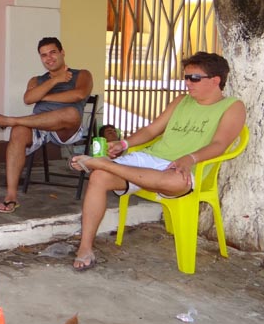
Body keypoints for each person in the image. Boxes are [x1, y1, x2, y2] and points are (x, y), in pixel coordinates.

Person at [68, 52, 246, 271]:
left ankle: (104, 163)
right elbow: (152, 130)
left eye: (194, 78)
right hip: (152, 159)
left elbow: (219, 144)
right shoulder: (181, 101)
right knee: (98, 177)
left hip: (188, 167)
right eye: (186, 77)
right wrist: (124, 144)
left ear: (216, 80)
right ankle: (85, 247)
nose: (187, 83)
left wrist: (189, 158)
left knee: (175, 182)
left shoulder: (232, 106)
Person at [0, 37, 93, 213]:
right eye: (44, 55)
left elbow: (79, 94)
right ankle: (11, 196)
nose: (49, 58)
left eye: (53, 52)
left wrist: (43, 96)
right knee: (18, 131)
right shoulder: (36, 80)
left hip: (66, 129)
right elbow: (28, 98)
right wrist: (55, 80)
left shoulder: (82, 74)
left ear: (62, 52)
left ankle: (10, 120)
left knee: (71, 113)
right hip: (39, 125)